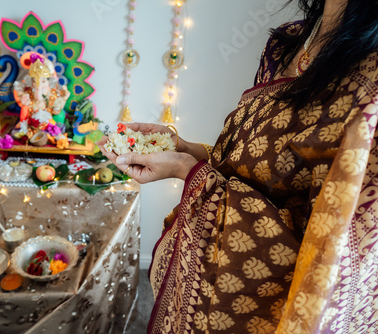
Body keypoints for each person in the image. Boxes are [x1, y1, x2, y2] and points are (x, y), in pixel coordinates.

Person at [98, 0, 378, 332]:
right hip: (200, 278)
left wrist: (188, 171)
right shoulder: (288, 41)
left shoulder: (369, 86)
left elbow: (330, 258)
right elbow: (248, 164)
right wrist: (188, 151)